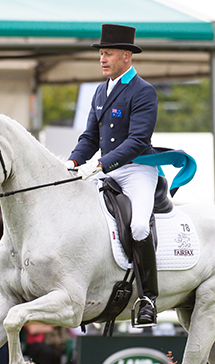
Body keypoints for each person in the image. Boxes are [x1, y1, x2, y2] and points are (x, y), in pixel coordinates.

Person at [65, 24, 161, 327]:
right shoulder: (99, 90)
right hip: (106, 169)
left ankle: (148, 298)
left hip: (136, 170)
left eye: (108, 54)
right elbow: (89, 136)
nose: (102, 59)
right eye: (101, 54)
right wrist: (73, 161)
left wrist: (101, 164)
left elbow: (136, 141)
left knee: (139, 227)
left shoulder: (143, 91)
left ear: (126, 56)